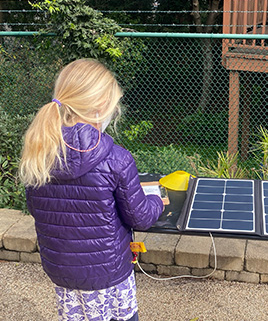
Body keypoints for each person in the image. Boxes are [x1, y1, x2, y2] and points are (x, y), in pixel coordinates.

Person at [19, 58, 164, 321]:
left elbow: (35, 208)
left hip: (62, 273)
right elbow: (140, 217)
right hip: (109, 274)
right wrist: (156, 200)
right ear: (100, 109)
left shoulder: (38, 153)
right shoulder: (117, 160)